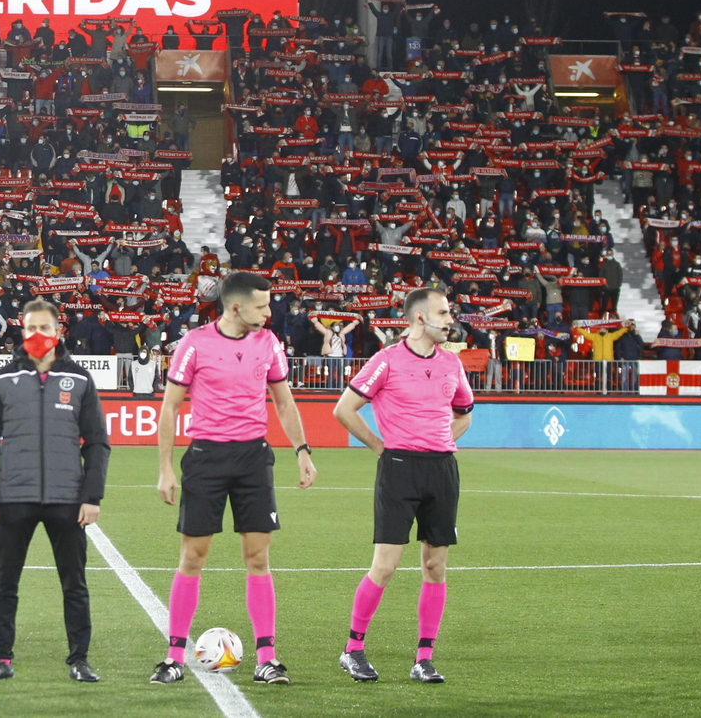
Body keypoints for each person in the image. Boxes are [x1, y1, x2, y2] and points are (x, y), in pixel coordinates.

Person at [152, 270, 316, 687]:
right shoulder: (194, 344)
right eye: (262, 305)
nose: (269, 311)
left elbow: (284, 402)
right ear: (237, 307)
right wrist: (166, 468)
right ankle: (173, 657)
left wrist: (302, 451)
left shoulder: (269, 344)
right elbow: (170, 408)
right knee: (193, 556)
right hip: (206, 458)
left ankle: (267, 658)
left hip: (253, 459)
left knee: (258, 557)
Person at [331, 287, 474, 685]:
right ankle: (353, 649)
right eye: (443, 313)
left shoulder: (452, 365)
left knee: (435, 565)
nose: (450, 320)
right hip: (398, 468)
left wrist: (445, 439)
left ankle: (424, 658)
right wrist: (381, 446)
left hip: (442, 471)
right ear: (417, 319)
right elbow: (343, 409)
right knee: (386, 565)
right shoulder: (386, 361)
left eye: (450, 312)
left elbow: (464, 413)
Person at [0, 298, 110, 684]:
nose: (37, 336)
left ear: (57, 331)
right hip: (13, 498)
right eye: (31, 329)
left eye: (45, 329)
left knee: (74, 584)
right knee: (4, 584)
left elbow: (97, 442)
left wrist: (92, 496)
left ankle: (79, 659)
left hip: (68, 499)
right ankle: (2, 659)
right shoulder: (3, 379)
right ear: (22, 329)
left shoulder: (80, 379)